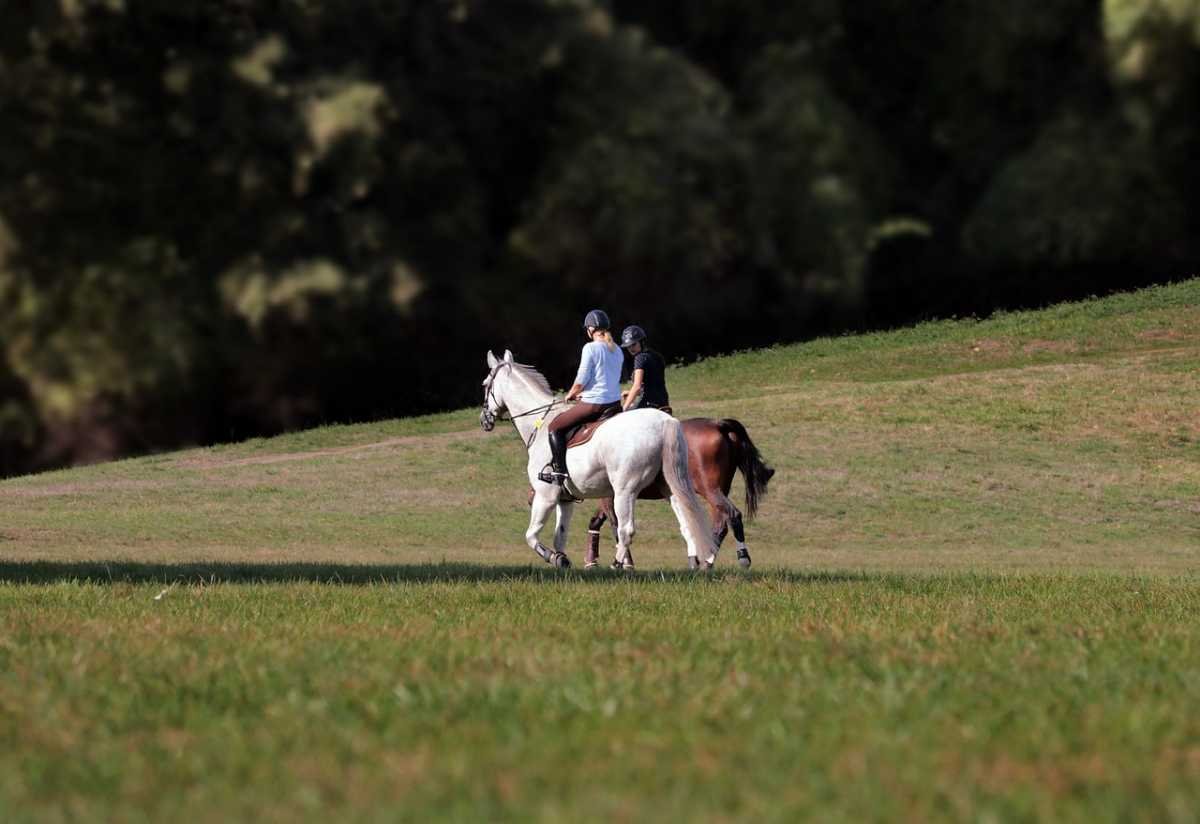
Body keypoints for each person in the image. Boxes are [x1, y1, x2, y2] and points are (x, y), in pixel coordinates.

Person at [539, 309, 624, 486]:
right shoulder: (617, 350)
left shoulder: (590, 348)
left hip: (595, 405)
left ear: (590, 329)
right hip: (615, 404)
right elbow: (606, 379)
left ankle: (559, 472)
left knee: (554, 427)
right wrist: (585, 393)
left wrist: (571, 394)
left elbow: (581, 379)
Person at [620, 324, 671, 414]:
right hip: (664, 403)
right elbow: (652, 385)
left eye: (633, 344)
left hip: (648, 404)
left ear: (641, 341)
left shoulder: (640, 358)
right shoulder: (657, 356)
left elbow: (637, 386)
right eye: (628, 346)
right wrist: (630, 392)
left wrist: (624, 408)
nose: (631, 348)